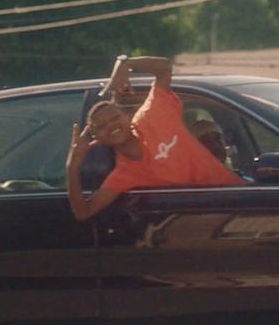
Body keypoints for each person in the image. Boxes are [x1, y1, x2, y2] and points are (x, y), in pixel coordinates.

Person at [65, 55, 241, 220]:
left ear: (128, 117)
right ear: (97, 139)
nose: (111, 126)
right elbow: (83, 212)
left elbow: (164, 68)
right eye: (102, 126)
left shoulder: (153, 114)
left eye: (115, 118)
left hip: (239, 198)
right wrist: (72, 167)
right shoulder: (125, 175)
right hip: (205, 219)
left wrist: (125, 62)